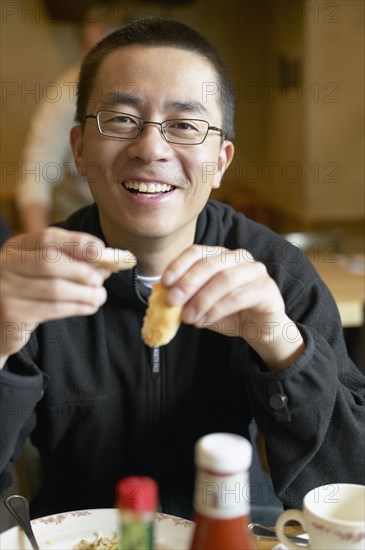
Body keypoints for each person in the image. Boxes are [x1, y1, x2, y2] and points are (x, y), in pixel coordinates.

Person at [0, 17, 364, 521]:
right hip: (78, 533)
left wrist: (281, 343)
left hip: (234, 527)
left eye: (185, 125)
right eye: (121, 119)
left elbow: (351, 483)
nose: (150, 148)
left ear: (219, 160)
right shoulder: (42, 282)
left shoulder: (277, 271)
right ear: (80, 148)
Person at [16, 1, 124, 232]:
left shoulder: (147, 89)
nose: (89, 58)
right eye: (86, 46)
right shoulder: (64, 91)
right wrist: (41, 245)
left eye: (102, 49)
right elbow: (37, 169)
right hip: (77, 219)